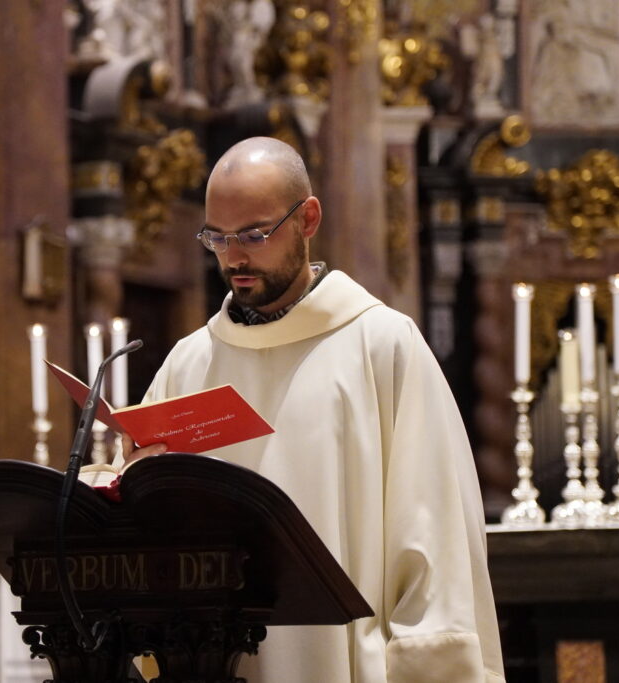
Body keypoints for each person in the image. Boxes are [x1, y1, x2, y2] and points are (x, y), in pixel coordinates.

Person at [120, 137, 505, 682]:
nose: (234, 257)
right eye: (217, 238)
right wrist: (137, 485)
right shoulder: (189, 363)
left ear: (308, 219)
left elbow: (434, 533)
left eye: (255, 235)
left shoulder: (381, 346)